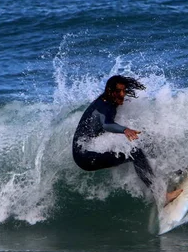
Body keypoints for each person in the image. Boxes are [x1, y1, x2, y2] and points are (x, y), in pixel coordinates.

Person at [72, 75, 182, 204]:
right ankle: (162, 196)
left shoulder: (110, 101)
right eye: (118, 91)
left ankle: (167, 172)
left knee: (145, 140)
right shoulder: (104, 106)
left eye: (124, 91)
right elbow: (106, 124)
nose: (122, 94)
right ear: (109, 91)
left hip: (91, 148)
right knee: (135, 153)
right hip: (85, 156)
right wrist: (125, 130)